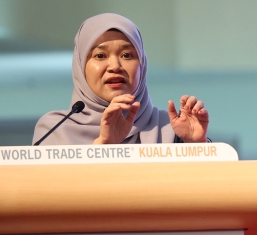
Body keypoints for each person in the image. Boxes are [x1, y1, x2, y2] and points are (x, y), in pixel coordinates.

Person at [33, 13, 209, 146]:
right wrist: (103, 146)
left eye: (127, 55)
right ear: (80, 66)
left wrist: (197, 145)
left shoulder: (168, 129)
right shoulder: (55, 131)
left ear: (142, 64)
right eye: (100, 55)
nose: (115, 66)